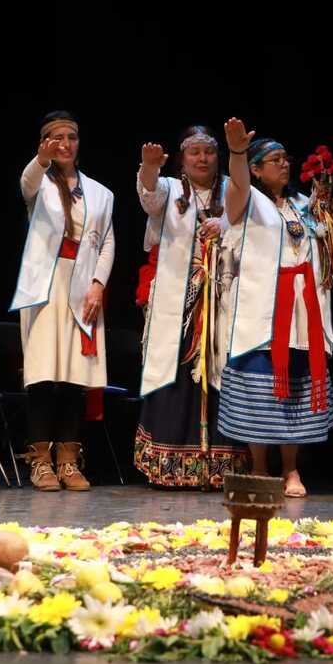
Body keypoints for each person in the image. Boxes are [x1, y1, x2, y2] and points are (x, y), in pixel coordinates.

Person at [218, 125, 333, 498]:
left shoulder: (303, 204)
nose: (284, 164)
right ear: (256, 169)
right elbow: (237, 181)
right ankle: (258, 466)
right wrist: (237, 153)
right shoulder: (246, 199)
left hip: (302, 309)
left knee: (295, 388)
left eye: (286, 159)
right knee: (262, 389)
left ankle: (290, 468)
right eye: (274, 160)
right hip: (263, 310)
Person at [134, 125, 250, 489]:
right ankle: (168, 463)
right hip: (177, 301)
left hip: (222, 298)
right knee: (175, 374)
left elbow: (246, 224)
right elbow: (149, 198)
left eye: (209, 151)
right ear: (182, 159)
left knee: (219, 372)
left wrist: (224, 225)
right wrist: (149, 168)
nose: (202, 158)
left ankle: (221, 465)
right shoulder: (169, 187)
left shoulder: (233, 188)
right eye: (194, 152)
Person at [11, 111, 115, 492]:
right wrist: (40, 159)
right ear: (44, 143)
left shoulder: (100, 194)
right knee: (43, 375)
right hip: (46, 287)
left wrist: (98, 284)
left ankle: (69, 461)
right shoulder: (39, 184)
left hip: (83, 287)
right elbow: (26, 182)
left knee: (75, 376)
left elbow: (107, 242)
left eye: (71, 137)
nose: (65, 144)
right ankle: (40, 462)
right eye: (56, 138)